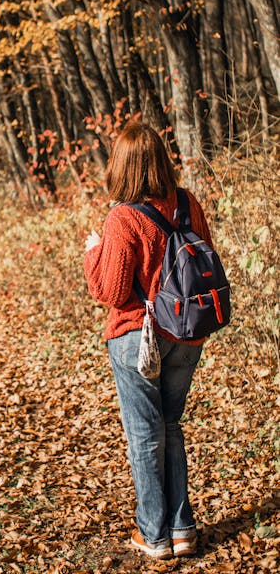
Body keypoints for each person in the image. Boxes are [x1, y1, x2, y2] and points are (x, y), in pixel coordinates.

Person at [84, 120, 213, 560]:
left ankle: (153, 533)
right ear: (160, 159)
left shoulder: (122, 216)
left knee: (144, 433)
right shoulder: (187, 204)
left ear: (121, 166)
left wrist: (92, 253)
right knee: (171, 425)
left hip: (138, 338)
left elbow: (111, 292)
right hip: (188, 334)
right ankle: (182, 530)